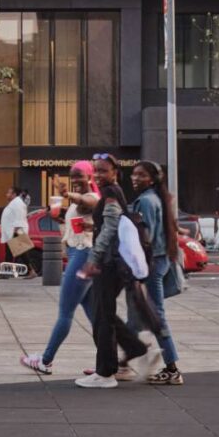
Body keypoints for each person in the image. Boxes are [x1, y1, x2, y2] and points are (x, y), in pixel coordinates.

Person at [74, 154, 159, 389]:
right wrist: (94, 225)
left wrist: (92, 259)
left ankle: (105, 373)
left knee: (103, 317)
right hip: (112, 262)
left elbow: (111, 227)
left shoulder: (111, 193)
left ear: (114, 173)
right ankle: (134, 351)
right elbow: (113, 223)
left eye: (104, 171)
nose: (99, 175)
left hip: (107, 264)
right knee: (105, 315)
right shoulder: (114, 192)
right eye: (96, 171)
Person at [20, 162, 99, 375]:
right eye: (72, 176)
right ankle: (109, 362)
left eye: (79, 176)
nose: (75, 180)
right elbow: (78, 211)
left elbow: (88, 202)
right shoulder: (78, 200)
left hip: (81, 256)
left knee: (65, 312)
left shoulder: (92, 197)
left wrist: (67, 194)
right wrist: (59, 212)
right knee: (94, 315)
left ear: (90, 176)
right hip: (80, 255)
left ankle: (45, 360)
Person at [129, 160, 185, 386]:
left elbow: (146, 238)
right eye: (133, 174)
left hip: (151, 264)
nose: (135, 178)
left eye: (140, 175)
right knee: (140, 315)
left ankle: (172, 367)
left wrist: (137, 266)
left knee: (156, 315)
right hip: (160, 261)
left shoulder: (145, 201)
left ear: (151, 179)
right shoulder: (156, 198)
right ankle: (119, 361)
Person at [0, 186, 34, 275]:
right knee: (11, 253)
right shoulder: (15, 203)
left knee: (22, 252)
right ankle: (8, 271)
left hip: (16, 230)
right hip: (13, 231)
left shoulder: (17, 203)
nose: (7, 194)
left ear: (14, 194)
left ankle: (30, 271)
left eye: (9, 193)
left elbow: (19, 217)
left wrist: (16, 231)